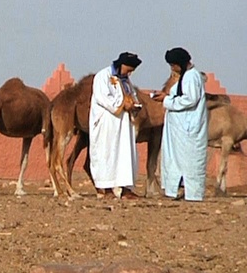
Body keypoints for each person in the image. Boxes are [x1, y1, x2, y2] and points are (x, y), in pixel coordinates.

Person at [152, 47, 208, 201]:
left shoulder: (191, 77)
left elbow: (190, 99)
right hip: (180, 130)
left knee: (189, 161)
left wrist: (166, 100)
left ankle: (192, 193)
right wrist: (166, 96)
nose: (172, 69)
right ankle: (179, 189)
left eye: (173, 65)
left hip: (188, 129)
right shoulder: (186, 77)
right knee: (177, 160)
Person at [89, 52, 143, 200]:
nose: (130, 72)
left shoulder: (126, 81)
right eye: (129, 69)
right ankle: (105, 189)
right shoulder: (103, 76)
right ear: (122, 65)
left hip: (124, 124)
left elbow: (131, 96)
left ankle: (126, 189)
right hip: (107, 122)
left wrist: (134, 105)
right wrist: (121, 104)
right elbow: (102, 97)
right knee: (106, 152)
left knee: (125, 154)